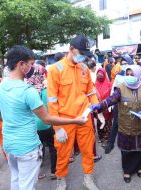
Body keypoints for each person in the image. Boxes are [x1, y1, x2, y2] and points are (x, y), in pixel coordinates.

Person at [0, 45, 87, 190]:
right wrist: (75, 120)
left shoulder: (0, 87)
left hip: (9, 144)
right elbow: (47, 119)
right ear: (21, 64)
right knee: (27, 185)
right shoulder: (27, 91)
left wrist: (13, 123)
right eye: (31, 64)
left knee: (16, 180)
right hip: (27, 147)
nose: (32, 68)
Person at [47, 35, 99, 190]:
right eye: (80, 53)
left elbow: (90, 93)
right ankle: (60, 180)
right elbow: (52, 101)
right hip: (65, 120)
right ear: (70, 49)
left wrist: (97, 110)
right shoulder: (56, 69)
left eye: (85, 53)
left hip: (84, 118)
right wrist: (57, 127)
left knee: (88, 150)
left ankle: (88, 179)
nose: (83, 57)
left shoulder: (84, 69)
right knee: (63, 153)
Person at [91, 65, 141, 183]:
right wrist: (98, 106)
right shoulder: (120, 88)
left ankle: (139, 168)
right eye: (127, 74)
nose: (129, 77)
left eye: (132, 75)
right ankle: (127, 171)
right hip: (126, 126)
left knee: (140, 149)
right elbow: (110, 100)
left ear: (138, 75)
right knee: (127, 150)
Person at [26, 64, 57, 180]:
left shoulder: (27, 89)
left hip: (33, 126)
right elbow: (51, 107)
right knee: (53, 147)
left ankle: (37, 172)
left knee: (38, 147)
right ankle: (54, 171)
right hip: (46, 124)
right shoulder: (46, 90)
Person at [105, 55, 133, 154]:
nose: (125, 66)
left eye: (127, 64)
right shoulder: (119, 75)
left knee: (129, 124)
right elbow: (113, 90)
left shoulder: (136, 75)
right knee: (116, 123)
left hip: (132, 104)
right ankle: (110, 143)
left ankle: (128, 144)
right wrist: (111, 104)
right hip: (119, 103)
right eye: (123, 64)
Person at [95, 68, 112, 147]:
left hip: (106, 107)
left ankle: (107, 139)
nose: (100, 76)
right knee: (99, 123)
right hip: (98, 107)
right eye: (98, 75)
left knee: (107, 123)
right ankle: (101, 137)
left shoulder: (109, 84)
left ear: (105, 75)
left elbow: (111, 96)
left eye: (102, 74)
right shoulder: (95, 84)